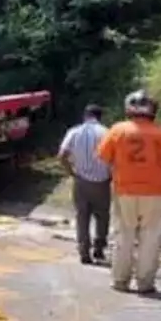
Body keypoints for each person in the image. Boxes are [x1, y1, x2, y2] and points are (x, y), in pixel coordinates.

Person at [96, 90, 161, 294]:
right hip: (155, 192)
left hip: (124, 191)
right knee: (151, 238)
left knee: (123, 236)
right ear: (153, 110)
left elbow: (103, 156)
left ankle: (120, 280)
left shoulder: (118, 130)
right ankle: (145, 283)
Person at [58, 104, 112, 265]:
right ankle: (99, 248)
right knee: (102, 216)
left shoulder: (74, 131)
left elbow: (62, 155)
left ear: (85, 116)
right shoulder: (107, 133)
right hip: (102, 182)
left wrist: (71, 172)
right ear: (100, 117)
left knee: (82, 216)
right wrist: (111, 176)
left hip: (81, 181)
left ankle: (84, 251)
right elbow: (115, 158)